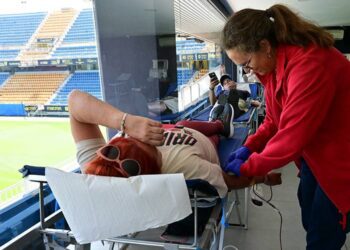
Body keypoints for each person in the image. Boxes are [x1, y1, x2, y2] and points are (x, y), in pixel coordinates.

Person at [221, 4, 350, 249]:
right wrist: (248, 147)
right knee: (309, 215)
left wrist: (249, 167)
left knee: (324, 233)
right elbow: (274, 121)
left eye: (247, 63)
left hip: (341, 159)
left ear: (265, 46)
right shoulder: (272, 68)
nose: (248, 71)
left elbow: (291, 137)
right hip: (317, 156)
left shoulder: (309, 65)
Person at [68, 90, 282, 199]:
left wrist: (126, 122)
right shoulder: (186, 167)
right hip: (201, 143)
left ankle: (219, 124)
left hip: (178, 129)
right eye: (148, 143)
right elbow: (228, 181)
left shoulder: (96, 168)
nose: (149, 138)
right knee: (202, 132)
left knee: (180, 124)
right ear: (153, 165)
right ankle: (220, 126)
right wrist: (262, 178)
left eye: (126, 137)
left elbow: (74, 100)